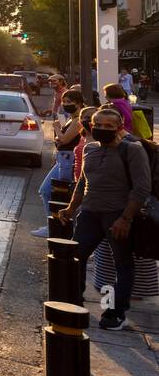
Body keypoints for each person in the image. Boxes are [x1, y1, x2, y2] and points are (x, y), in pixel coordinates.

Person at [56, 106, 150, 331]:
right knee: (76, 256)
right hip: (89, 213)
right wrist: (71, 209)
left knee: (122, 263)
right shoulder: (90, 148)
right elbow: (82, 182)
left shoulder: (132, 150)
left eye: (108, 126)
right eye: (97, 125)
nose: (102, 129)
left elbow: (141, 188)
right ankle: (74, 300)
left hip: (117, 215)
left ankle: (117, 312)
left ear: (119, 128)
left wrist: (126, 218)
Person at [32, 88, 85, 238]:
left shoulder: (77, 120)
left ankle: (59, 227)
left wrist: (56, 128)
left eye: (70, 102)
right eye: (64, 102)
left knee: (54, 193)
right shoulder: (71, 118)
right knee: (53, 193)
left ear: (79, 103)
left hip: (68, 161)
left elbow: (65, 139)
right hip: (63, 159)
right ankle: (56, 226)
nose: (66, 104)